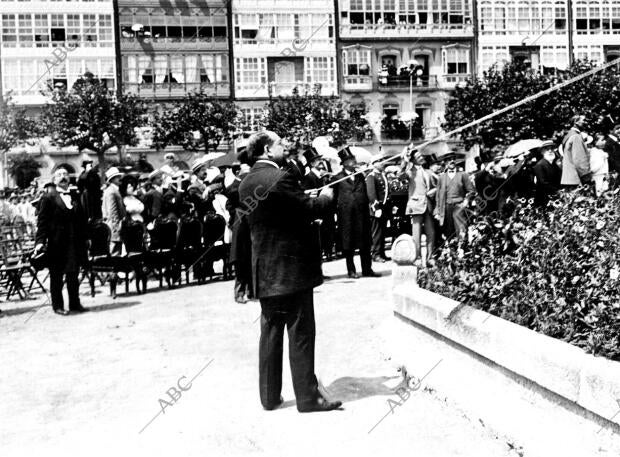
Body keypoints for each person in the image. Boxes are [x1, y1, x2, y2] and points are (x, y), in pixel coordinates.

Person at [238, 131, 342, 413]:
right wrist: (326, 196)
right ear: (267, 150)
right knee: (301, 332)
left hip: (266, 272)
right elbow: (306, 209)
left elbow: (269, 216)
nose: (285, 147)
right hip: (292, 270)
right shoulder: (280, 177)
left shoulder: (246, 183)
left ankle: (269, 397)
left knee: (270, 333)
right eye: (280, 144)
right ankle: (308, 399)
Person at [34, 168, 88, 316]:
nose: (63, 177)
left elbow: (82, 220)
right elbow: (42, 222)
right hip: (56, 243)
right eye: (59, 175)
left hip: (74, 242)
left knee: (73, 274)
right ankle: (57, 306)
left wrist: (86, 238)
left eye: (65, 174)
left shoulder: (75, 196)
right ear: (54, 179)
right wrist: (39, 241)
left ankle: (75, 303)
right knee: (56, 276)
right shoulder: (48, 197)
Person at [332, 147, 379, 279]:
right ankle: (351, 270)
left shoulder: (360, 176)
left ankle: (367, 269)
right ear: (345, 163)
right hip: (346, 216)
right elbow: (334, 197)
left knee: (365, 243)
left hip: (362, 215)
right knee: (348, 245)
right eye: (351, 160)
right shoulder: (338, 178)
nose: (354, 161)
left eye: (353, 159)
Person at [405, 152, 438, 263]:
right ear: (413, 160)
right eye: (419, 157)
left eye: (422, 156)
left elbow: (437, 186)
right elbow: (400, 176)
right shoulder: (410, 172)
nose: (422, 157)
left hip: (428, 205)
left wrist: (433, 191)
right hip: (416, 205)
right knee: (416, 234)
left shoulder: (428, 171)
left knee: (431, 232)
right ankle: (417, 257)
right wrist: (405, 160)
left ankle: (430, 257)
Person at [434, 155, 475, 240]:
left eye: (453, 159)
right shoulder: (441, 177)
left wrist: (466, 201)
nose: (452, 161)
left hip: (459, 206)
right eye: (449, 160)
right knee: (448, 233)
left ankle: (462, 250)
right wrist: (437, 211)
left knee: (461, 231)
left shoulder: (463, 175)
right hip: (446, 207)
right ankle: (450, 251)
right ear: (445, 162)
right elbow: (438, 196)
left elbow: (471, 191)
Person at [366, 155, 390, 263]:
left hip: (383, 207)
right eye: (380, 161)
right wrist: (376, 208)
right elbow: (371, 193)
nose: (383, 163)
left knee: (383, 231)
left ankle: (381, 252)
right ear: (374, 163)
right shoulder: (371, 176)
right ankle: (375, 254)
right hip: (376, 208)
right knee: (377, 232)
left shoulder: (382, 175)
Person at [561, 115, 592, 188]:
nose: (585, 122)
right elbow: (579, 159)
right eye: (583, 120)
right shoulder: (576, 136)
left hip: (569, 178)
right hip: (576, 179)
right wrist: (586, 177)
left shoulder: (569, 135)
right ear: (576, 122)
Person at [102, 167, 126, 255]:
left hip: (114, 225)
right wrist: (117, 227)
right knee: (115, 251)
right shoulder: (112, 192)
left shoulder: (113, 190)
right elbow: (112, 211)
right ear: (112, 179)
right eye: (117, 177)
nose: (120, 178)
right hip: (114, 226)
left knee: (116, 250)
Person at [533, 141, 561, 206]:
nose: (550, 151)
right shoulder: (539, 165)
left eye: (551, 149)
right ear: (542, 152)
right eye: (547, 149)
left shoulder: (554, 164)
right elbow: (543, 183)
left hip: (555, 196)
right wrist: (556, 191)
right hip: (544, 198)